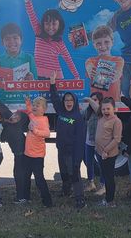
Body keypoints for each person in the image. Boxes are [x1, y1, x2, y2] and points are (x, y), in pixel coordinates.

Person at [49, 71, 87, 209]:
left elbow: (80, 140)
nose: (68, 102)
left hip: (73, 152)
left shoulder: (78, 117)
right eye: (66, 100)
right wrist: (52, 83)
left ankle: (80, 198)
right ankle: (66, 191)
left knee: (75, 174)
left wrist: (78, 159)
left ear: (75, 101)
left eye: (71, 100)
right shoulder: (61, 111)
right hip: (62, 150)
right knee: (64, 172)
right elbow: (54, 98)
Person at [24, 0, 79, 79]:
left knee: (55, 92)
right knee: (42, 92)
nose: (50, 27)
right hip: (39, 75)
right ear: (43, 24)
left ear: (59, 25)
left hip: (56, 77)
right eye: (47, 23)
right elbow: (31, 13)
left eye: (54, 24)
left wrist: (76, 76)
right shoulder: (38, 31)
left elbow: (68, 60)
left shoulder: (60, 43)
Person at [0, 94, 29, 203]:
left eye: (17, 117)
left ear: (21, 121)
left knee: (20, 174)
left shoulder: (16, 125)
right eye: (14, 115)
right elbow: (4, 107)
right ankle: (23, 196)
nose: (14, 117)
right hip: (17, 154)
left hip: (22, 153)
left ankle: (21, 197)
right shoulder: (7, 121)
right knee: (19, 173)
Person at [0, 23, 37, 103]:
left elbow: (36, 83)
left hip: (24, 102)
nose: (11, 41)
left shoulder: (29, 58)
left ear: (21, 40)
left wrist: (31, 79)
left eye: (15, 38)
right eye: (7, 39)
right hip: (3, 102)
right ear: (2, 42)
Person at [22, 96, 53, 207]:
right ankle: (26, 197)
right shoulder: (33, 117)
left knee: (39, 179)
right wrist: (28, 102)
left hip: (37, 156)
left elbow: (47, 134)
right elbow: (29, 111)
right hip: (28, 154)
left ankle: (47, 201)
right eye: (34, 105)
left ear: (44, 109)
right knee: (26, 177)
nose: (34, 107)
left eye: (37, 105)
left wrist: (34, 130)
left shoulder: (43, 120)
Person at [95, 97, 122, 207]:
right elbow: (95, 106)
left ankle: (110, 201)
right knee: (105, 176)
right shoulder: (101, 118)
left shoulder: (116, 121)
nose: (105, 111)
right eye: (103, 109)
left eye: (108, 109)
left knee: (109, 177)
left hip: (108, 154)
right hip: (100, 153)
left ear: (114, 109)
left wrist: (106, 151)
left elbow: (117, 139)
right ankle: (107, 198)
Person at [85, 25, 124, 100]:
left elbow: (116, 76)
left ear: (112, 42)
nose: (102, 46)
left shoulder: (119, 60)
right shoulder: (90, 60)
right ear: (94, 45)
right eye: (98, 43)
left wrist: (99, 75)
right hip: (96, 103)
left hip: (114, 103)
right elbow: (90, 70)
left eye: (106, 42)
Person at [82, 92, 105, 195]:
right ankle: (91, 183)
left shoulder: (102, 111)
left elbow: (98, 110)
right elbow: (78, 117)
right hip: (89, 142)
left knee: (101, 164)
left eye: (95, 99)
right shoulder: (88, 111)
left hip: (99, 143)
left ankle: (103, 186)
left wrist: (90, 101)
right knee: (88, 162)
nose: (92, 101)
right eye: (92, 99)